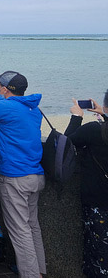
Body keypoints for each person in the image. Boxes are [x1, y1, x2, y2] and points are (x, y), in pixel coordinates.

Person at [0, 71, 46, 278]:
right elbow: (10, 105)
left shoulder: (4, 108)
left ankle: (31, 276)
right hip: (34, 176)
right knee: (32, 226)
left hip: (15, 178)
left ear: (5, 89)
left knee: (19, 231)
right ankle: (40, 271)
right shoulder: (32, 108)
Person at [65, 91, 108, 278]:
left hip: (98, 201)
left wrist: (76, 117)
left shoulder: (94, 130)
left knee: (98, 254)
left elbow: (66, 142)